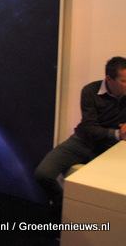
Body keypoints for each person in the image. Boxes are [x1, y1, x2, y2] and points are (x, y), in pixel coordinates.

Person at [34, 56, 126, 219]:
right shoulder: (90, 91)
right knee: (43, 174)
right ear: (109, 79)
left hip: (110, 148)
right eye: (124, 81)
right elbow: (90, 128)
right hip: (83, 141)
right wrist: (118, 133)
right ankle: (65, 208)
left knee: (107, 192)